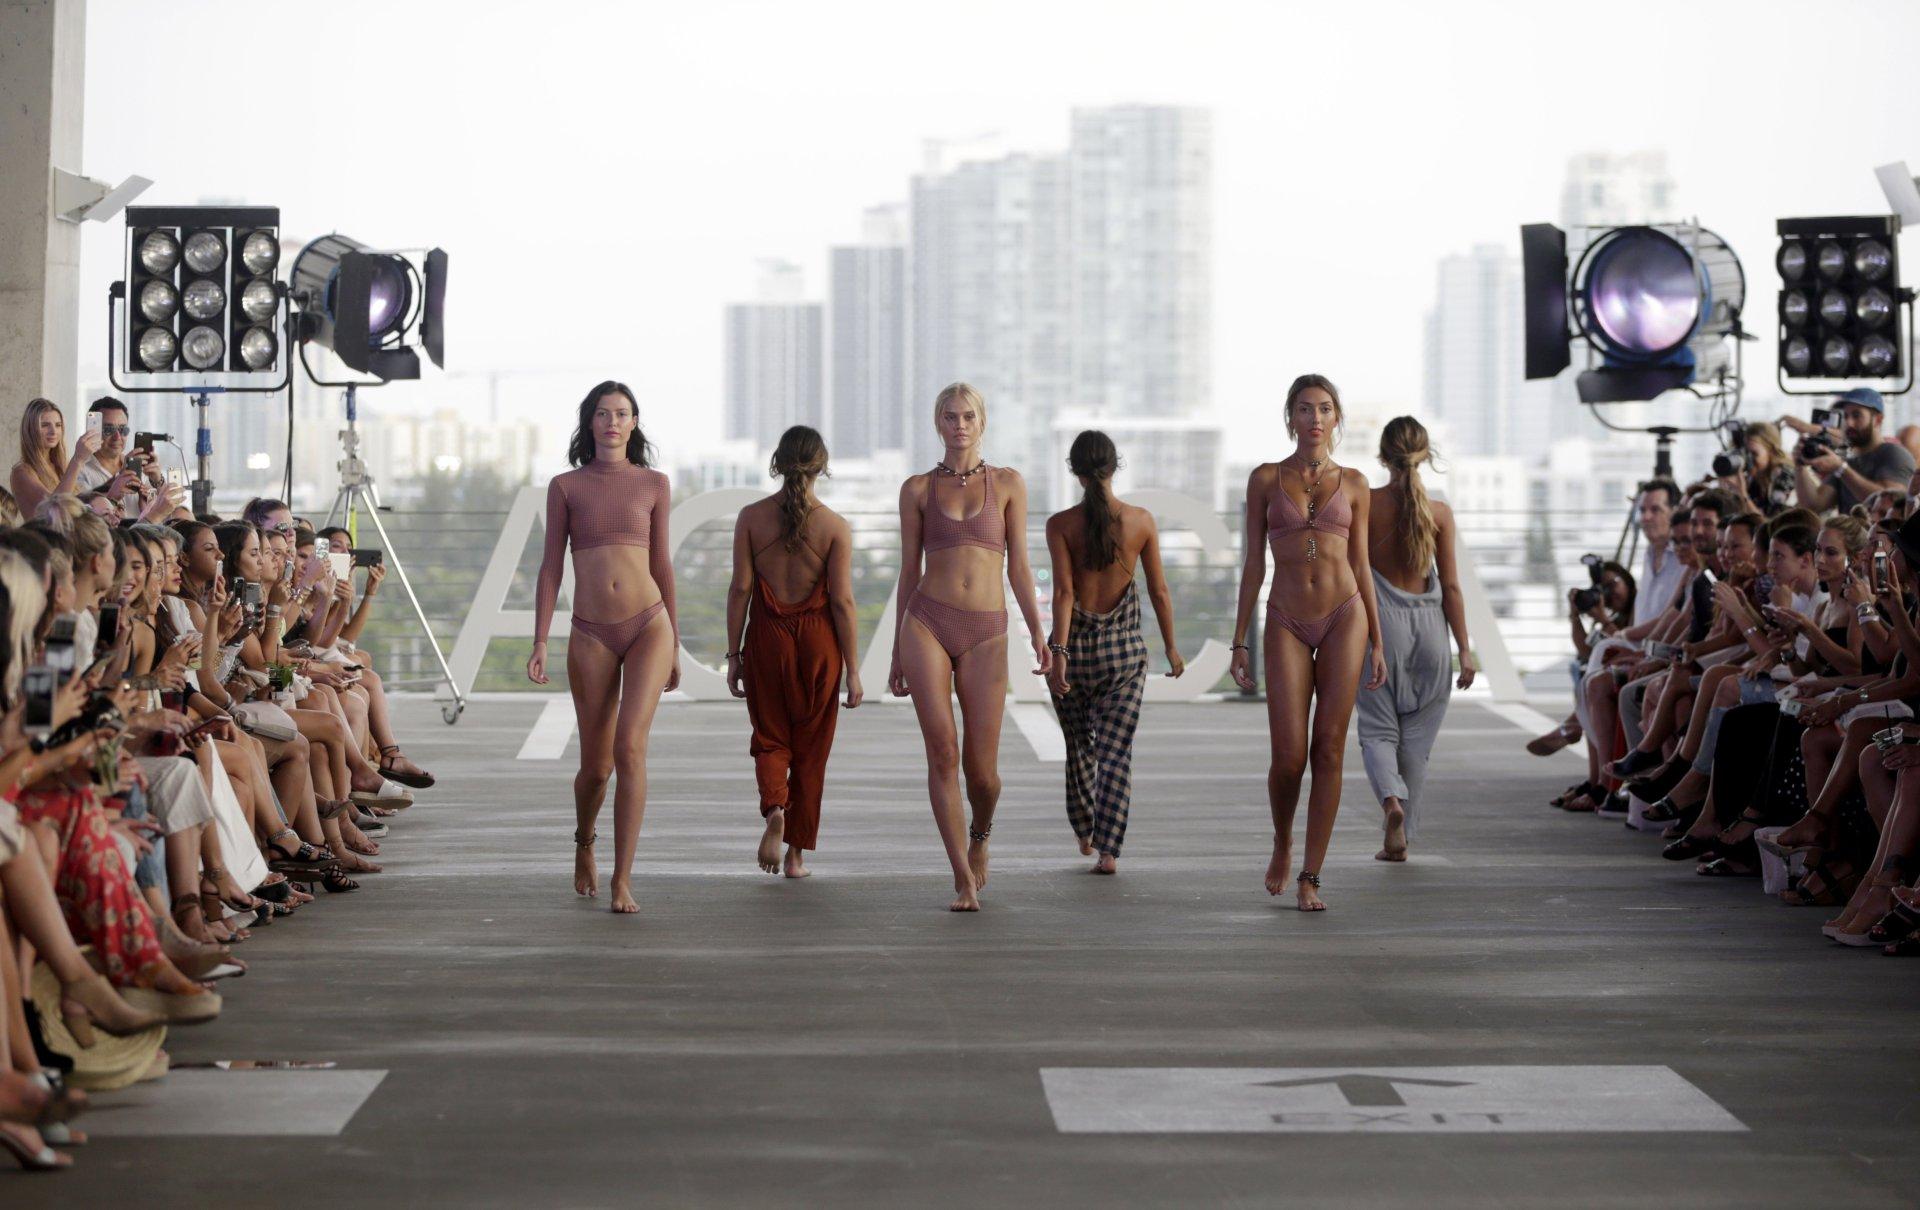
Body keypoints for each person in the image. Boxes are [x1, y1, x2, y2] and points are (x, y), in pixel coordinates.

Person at [1228, 374, 1387, 911]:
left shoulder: (1356, 483)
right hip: (1286, 617)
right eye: (1304, 409)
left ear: (1336, 417)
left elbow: (1361, 564)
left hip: (1346, 615)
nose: (1314, 418)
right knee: (1289, 757)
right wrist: (1238, 640)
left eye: (1323, 408)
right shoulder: (1265, 479)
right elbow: (1253, 563)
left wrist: (1379, 640)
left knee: (1330, 747)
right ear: (1290, 417)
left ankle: (1311, 875)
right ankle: (1282, 840)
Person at [889, 383, 1049, 911]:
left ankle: (981, 834)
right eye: (950, 417)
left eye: (968, 417)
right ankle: (961, 876)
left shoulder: (1008, 484)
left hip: (987, 630)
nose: (959, 425)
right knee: (942, 752)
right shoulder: (917, 489)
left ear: (982, 422)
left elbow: (1019, 566)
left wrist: (1038, 632)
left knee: (983, 773)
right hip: (926, 623)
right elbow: (908, 570)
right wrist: (895, 650)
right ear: (938, 423)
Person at [527, 382, 680, 915]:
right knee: (596, 768)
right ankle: (584, 841)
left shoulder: (655, 484)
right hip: (591, 631)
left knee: (629, 748)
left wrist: (676, 643)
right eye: (602, 413)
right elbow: (551, 566)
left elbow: (662, 565)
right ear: (589, 422)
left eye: (622, 413)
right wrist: (541, 638)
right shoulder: (566, 486)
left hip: (649, 625)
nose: (612, 421)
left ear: (634, 422)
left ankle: (623, 878)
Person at [724, 425, 862, 879]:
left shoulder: (751, 518)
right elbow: (843, 602)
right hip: (820, 645)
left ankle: (775, 809)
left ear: (777, 464)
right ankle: (796, 856)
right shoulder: (834, 526)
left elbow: (740, 589)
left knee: (771, 737)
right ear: (822, 466)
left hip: (767, 641)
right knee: (811, 751)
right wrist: (854, 670)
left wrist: (734, 655)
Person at [1043, 431, 1184, 875]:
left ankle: (1084, 831)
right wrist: (1172, 648)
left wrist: (1059, 652)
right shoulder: (1141, 521)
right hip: (1123, 655)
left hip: (1076, 652)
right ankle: (1109, 851)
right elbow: (1159, 591)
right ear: (1114, 466)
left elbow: (1064, 593)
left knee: (1078, 746)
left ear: (1075, 471)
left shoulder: (1060, 525)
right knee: (1116, 752)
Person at [1357, 417, 1474, 862]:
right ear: (1425, 456)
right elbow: (1453, 588)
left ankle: (1392, 802)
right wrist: (1465, 651)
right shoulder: (1439, 513)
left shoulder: (1365, 505)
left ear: (1383, 455)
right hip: (1431, 631)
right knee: (1417, 745)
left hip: (1381, 627)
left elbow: (1350, 576)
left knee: (1378, 732)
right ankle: (1401, 835)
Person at [1788, 387, 1916, 515]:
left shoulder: (1894, 454)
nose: (1849, 423)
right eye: (1845, 416)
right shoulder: (1846, 461)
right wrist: (1800, 466)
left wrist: (1841, 469)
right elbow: (1814, 505)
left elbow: (1890, 505)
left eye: (1856, 415)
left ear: (1878, 420)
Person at [9, 399, 100, 520]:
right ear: (30, 429)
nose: (53, 432)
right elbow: (54, 507)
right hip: (43, 532)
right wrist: (78, 459)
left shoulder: (62, 466)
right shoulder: (22, 471)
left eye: (58, 425)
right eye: (45, 425)